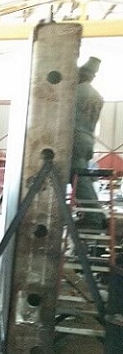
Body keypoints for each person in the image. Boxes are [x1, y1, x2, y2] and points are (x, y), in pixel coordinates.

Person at [71, 56, 105, 229]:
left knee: (78, 180)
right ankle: (94, 214)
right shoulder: (98, 96)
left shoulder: (75, 91)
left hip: (75, 139)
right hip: (87, 139)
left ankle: (94, 217)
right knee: (81, 178)